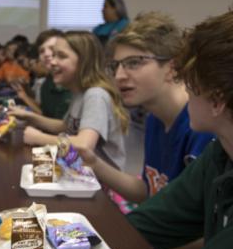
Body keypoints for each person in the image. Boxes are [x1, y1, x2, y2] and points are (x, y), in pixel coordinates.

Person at [127, 10, 233, 249]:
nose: (185, 91)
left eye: (190, 83)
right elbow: (148, 223)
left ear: (216, 99)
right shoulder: (220, 153)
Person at [80, 12, 214, 213]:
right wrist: (94, 163)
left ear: (173, 67)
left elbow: (204, 233)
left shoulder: (202, 126)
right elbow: (147, 192)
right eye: (115, 66)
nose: (119, 76)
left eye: (134, 62)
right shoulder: (154, 120)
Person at [9, 31, 129, 170]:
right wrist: (29, 116)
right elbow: (65, 126)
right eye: (54, 55)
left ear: (84, 61)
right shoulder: (79, 93)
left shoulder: (95, 95)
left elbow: (84, 144)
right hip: (78, 167)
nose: (52, 61)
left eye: (61, 56)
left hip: (101, 185)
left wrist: (38, 137)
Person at [13, 29, 72, 119]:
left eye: (52, 48)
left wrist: (27, 110)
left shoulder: (72, 81)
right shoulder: (47, 83)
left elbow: (64, 126)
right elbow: (46, 114)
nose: (46, 54)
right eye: (41, 51)